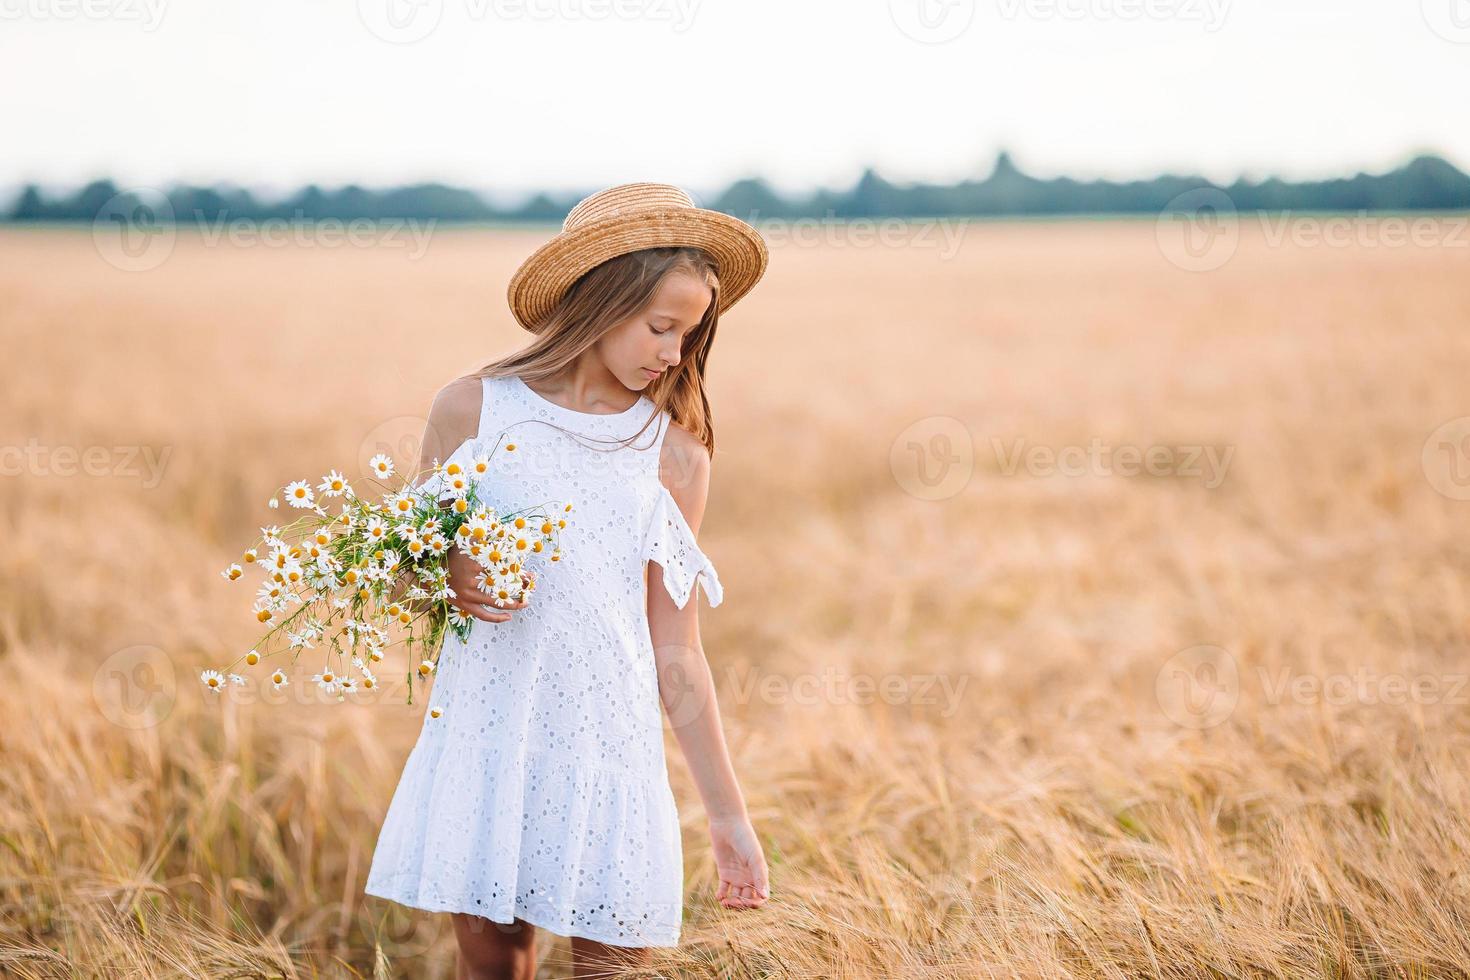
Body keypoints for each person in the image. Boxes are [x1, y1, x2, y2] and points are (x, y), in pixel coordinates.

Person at [364, 183, 772, 978]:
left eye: (692, 335)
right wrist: (446, 573)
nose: (675, 353)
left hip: (612, 754)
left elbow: (678, 650)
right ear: (598, 301)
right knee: (496, 970)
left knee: (614, 968)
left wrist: (729, 817)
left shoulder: (675, 456)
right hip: (493, 742)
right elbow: (401, 575)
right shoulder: (475, 410)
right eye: (662, 327)